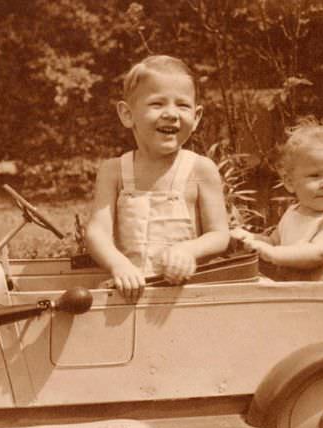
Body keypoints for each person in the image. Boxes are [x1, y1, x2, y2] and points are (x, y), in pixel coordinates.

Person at [85, 55, 229, 301]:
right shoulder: (113, 171)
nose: (171, 114)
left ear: (196, 118)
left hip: (185, 295)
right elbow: (97, 232)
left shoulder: (201, 169)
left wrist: (188, 250)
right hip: (129, 289)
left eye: (182, 105)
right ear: (127, 114)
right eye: (157, 104)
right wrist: (119, 265)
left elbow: (219, 234)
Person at [231, 116, 323, 289]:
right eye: (315, 176)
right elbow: (274, 241)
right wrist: (251, 239)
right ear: (290, 182)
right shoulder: (294, 212)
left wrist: (271, 254)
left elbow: (317, 253)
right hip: (312, 298)